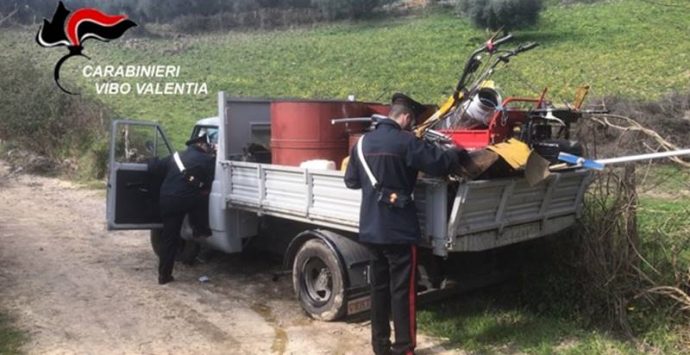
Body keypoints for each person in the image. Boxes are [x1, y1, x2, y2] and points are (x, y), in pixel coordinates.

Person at [344, 93, 466, 355]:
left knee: (378, 290)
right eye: (412, 121)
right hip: (399, 232)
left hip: (370, 230)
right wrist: (457, 152)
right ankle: (404, 349)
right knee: (403, 294)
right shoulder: (406, 142)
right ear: (407, 117)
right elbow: (438, 163)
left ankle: (380, 347)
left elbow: (351, 181)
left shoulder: (363, 142)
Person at [148, 134, 216, 285]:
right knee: (202, 198)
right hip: (188, 201)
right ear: (202, 145)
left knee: (169, 239)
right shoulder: (208, 160)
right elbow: (212, 179)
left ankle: (164, 276)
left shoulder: (176, 156)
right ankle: (200, 230)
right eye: (208, 145)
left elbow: (154, 167)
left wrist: (150, 159)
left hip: (168, 201)